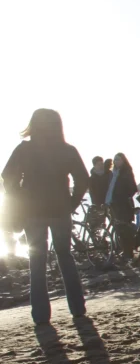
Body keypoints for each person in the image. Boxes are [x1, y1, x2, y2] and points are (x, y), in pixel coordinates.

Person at [1, 108, 88, 326]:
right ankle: (77, 309)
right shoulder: (67, 150)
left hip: (33, 212)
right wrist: (72, 203)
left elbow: (6, 176)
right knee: (65, 257)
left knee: (37, 262)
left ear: (34, 124)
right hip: (60, 211)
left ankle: (40, 316)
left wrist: (19, 197)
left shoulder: (25, 150)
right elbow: (83, 179)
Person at [106, 152, 139, 256]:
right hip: (113, 203)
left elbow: (133, 188)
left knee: (124, 229)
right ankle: (125, 250)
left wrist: (123, 197)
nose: (116, 161)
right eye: (115, 159)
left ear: (123, 160)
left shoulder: (127, 172)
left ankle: (128, 251)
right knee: (118, 228)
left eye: (118, 159)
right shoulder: (113, 173)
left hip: (123, 205)